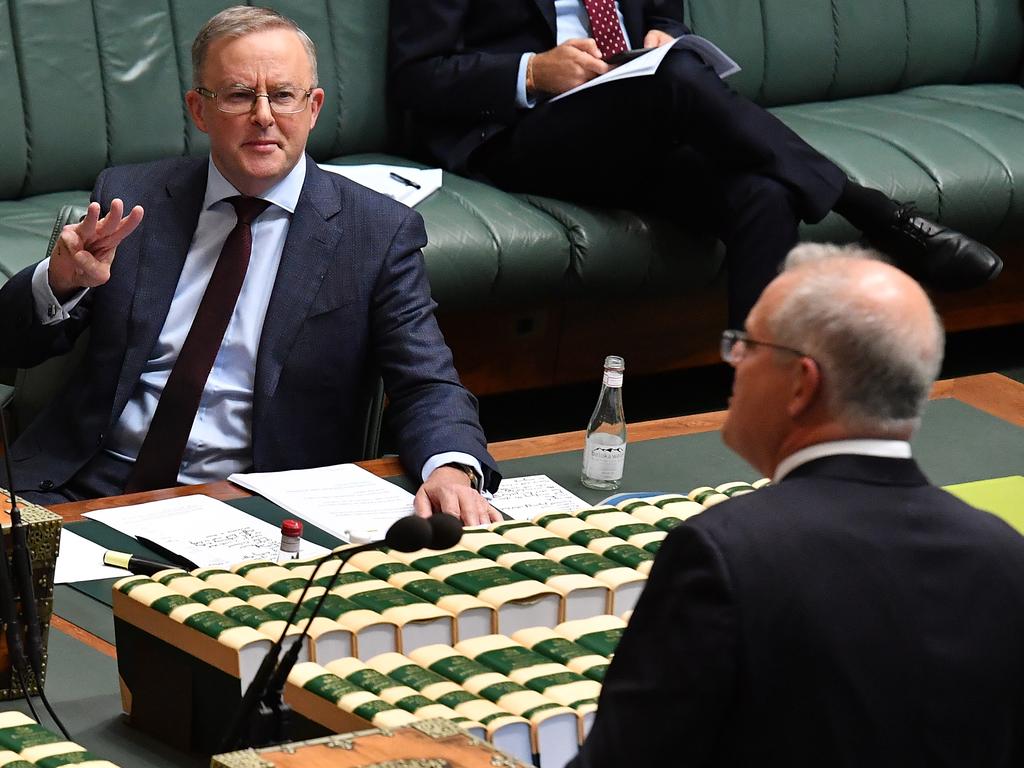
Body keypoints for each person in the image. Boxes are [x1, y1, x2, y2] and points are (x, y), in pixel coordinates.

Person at [0, 6, 502, 525]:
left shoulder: (374, 233)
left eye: (284, 95)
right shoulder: (132, 201)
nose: (264, 115)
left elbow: (427, 381)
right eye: (240, 95)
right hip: (86, 486)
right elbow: (11, 346)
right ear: (199, 110)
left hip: (257, 506)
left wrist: (450, 469)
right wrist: (59, 282)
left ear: (313, 107)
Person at [569, 247, 1024, 766]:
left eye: (746, 345)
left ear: (802, 383)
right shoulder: (1007, 557)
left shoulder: (725, 554)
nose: (734, 363)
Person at [388, 0, 1003, 324]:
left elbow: (661, 14)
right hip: (521, 132)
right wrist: (532, 70)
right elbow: (417, 76)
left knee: (765, 192)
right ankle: (873, 211)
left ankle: (752, 388)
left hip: (639, 113)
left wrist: (661, 32)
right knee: (679, 79)